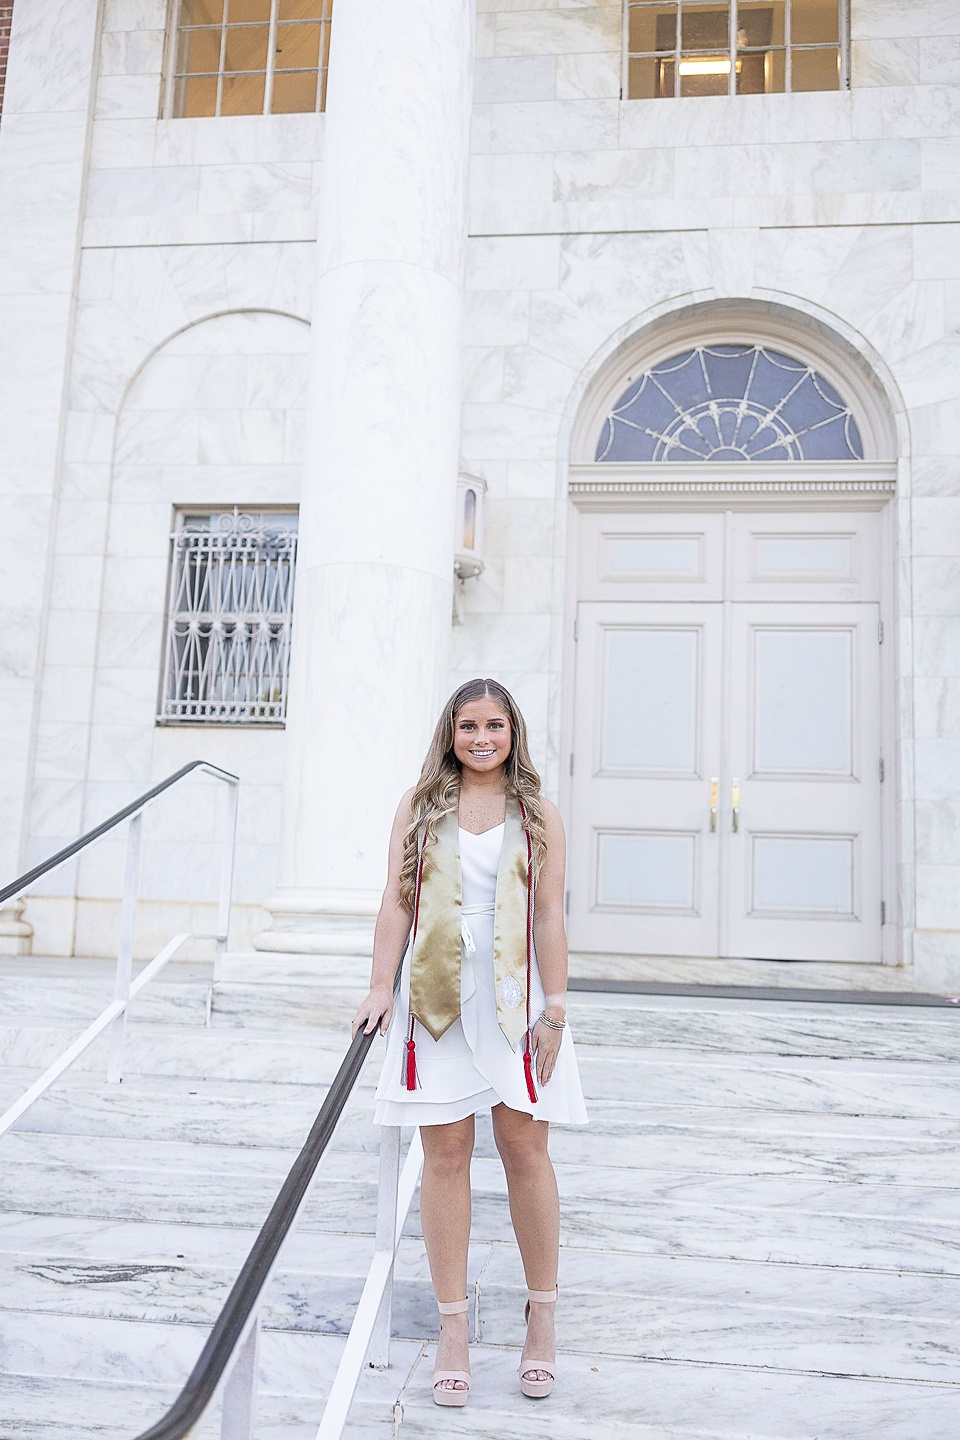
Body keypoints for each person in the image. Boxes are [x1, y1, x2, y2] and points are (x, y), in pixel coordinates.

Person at [352, 677, 587, 1408]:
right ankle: (453, 1328)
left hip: (517, 1001)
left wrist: (555, 1009)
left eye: (494, 725)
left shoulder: (537, 812)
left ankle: (540, 1317)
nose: (481, 738)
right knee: (445, 1156)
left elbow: (548, 915)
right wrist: (379, 986)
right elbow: (398, 897)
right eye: (467, 726)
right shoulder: (421, 807)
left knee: (525, 1149)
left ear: (513, 731)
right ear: (448, 734)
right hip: (437, 998)